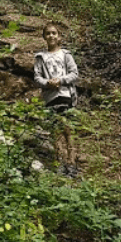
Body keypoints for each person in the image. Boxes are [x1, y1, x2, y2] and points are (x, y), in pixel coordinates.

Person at [33, 23, 79, 175]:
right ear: (44, 37)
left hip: (66, 96)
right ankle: (60, 162)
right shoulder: (40, 57)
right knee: (56, 130)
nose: (51, 35)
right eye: (48, 33)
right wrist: (47, 83)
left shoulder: (66, 55)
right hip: (50, 98)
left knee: (68, 129)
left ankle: (71, 163)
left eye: (54, 33)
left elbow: (74, 74)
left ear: (59, 36)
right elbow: (37, 77)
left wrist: (60, 80)